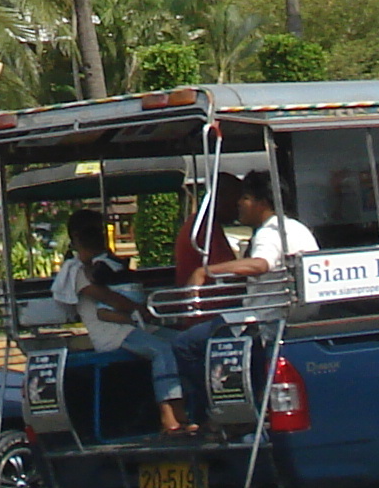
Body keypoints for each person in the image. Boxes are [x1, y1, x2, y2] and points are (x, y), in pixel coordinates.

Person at [166, 173, 317, 427]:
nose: (239, 204)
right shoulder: (297, 228)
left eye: (245, 198)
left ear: (262, 203)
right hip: (286, 315)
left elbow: (261, 264)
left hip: (261, 319)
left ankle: (212, 414)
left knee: (185, 344)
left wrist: (208, 271)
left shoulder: (269, 233)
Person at [50, 211, 189, 435]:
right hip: (112, 333)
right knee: (161, 350)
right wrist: (140, 310)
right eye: (93, 232)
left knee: (183, 341)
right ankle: (170, 415)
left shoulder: (103, 265)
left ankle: (187, 406)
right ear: (77, 238)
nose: (100, 237)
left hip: (130, 324)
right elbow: (108, 298)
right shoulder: (77, 272)